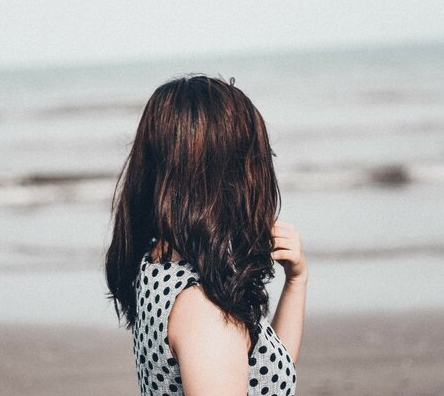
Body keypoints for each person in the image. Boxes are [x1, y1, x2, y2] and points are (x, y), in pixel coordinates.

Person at [105, 74, 308, 395]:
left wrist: (296, 283)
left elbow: (264, 377)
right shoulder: (204, 310)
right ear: (229, 174)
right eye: (256, 158)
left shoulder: (159, 260)